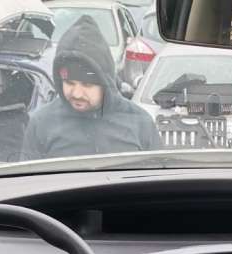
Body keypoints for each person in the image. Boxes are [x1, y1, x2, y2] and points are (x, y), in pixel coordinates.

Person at [20, 15, 159, 160]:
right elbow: (28, 174)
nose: (77, 93)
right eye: (69, 83)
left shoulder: (139, 123)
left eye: (87, 85)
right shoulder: (42, 124)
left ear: (105, 83)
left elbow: (158, 172)